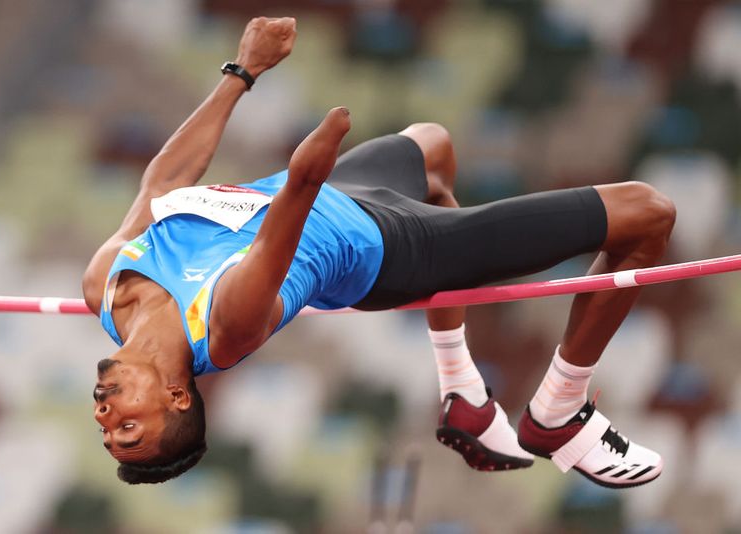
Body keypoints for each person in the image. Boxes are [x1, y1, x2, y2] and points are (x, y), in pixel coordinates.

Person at [82, 17, 676, 487]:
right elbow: (283, 224)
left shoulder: (104, 287)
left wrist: (242, 71)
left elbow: (161, 184)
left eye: (108, 429)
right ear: (179, 395)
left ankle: (462, 392)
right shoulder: (222, 329)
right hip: (390, 249)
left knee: (434, 149)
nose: (107, 417)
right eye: (129, 426)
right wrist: (315, 155)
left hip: (345, 193)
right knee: (646, 214)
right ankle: (558, 412)